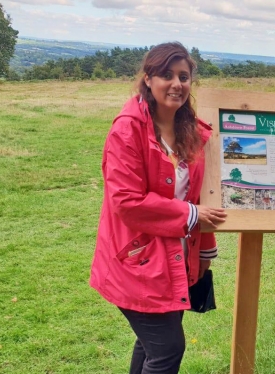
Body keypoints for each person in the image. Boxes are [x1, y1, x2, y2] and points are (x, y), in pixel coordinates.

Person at [90, 41, 227, 374]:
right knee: (167, 349)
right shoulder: (127, 130)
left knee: (151, 346)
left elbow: (200, 197)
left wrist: (205, 251)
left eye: (184, 76)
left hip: (176, 258)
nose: (177, 84)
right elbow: (126, 200)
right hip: (136, 260)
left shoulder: (192, 131)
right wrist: (190, 215)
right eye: (167, 74)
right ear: (148, 78)